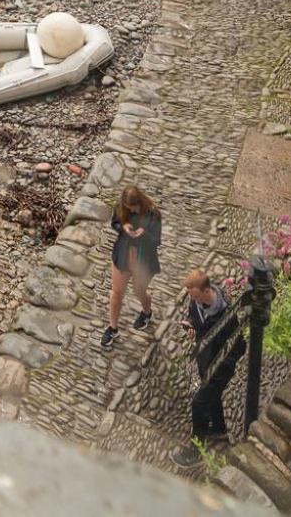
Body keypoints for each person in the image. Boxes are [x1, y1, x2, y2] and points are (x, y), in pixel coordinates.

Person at [170, 269, 246, 467]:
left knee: (199, 403)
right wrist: (190, 324)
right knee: (212, 399)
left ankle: (196, 451)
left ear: (205, 290)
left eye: (192, 293)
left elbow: (239, 346)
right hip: (205, 360)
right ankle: (219, 430)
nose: (190, 297)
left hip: (220, 367)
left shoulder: (227, 314)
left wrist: (222, 366)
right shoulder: (196, 300)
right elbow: (194, 316)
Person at [100, 185, 162, 350]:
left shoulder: (153, 213)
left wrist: (145, 233)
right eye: (128, 208)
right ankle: (112, 328)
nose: (131, 211)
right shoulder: (120, 207)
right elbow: (115, 223)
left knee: (139, 291)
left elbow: (157, 241)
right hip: (123, 254)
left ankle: (147, 313)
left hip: (144, 259)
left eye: (133, 207)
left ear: (139, 202)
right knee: (116, 293)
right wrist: (123, 227)